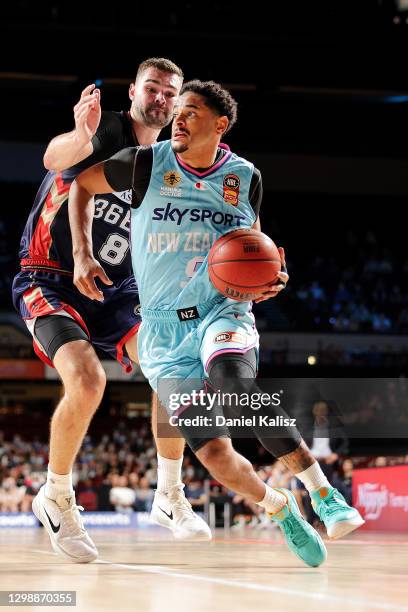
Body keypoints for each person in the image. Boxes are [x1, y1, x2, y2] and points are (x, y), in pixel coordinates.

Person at [68, 80, 364, 567]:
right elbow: (81, 184)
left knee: (235, 389)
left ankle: (323, 493)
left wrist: (270, 275)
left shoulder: (245, 176)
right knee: (213, 454)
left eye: (190, 112)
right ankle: (282, 508)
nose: (178, 119)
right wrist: (82, 254)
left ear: (219, 124)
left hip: (220, 312)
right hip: (162, 331)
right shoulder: (146, 162)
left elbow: (255, 244)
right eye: (176, 112)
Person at [12, 58, 210, 565]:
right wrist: (80, 136)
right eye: (154, 88)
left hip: (119, 294)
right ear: (134, 91)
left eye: (171, 92)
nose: (162, 98)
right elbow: (56, 158)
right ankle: (56, 494)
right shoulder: (109, 131)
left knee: (174, 369)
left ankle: (169, 493)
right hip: (52, 277)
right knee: (87, 380)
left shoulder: (173, 162)